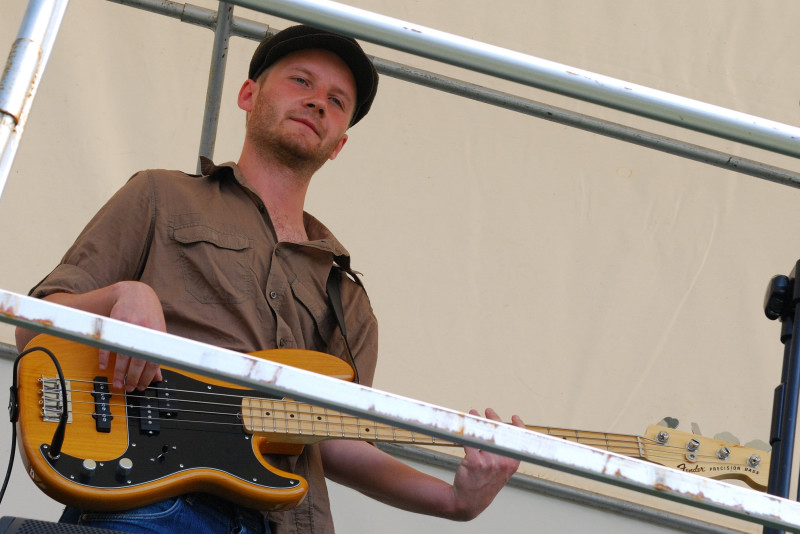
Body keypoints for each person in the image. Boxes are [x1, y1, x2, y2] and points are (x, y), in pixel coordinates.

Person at [15, 25, 523, 534]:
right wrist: (123, 297)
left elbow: (336, 440)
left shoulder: (348, 300)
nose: (318, 102)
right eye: (301, 81)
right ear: (248, 94)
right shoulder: (158, 195)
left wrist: (456, 500)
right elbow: (31, 327)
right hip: (147, 505)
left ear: (339, 144)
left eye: (337, 100)